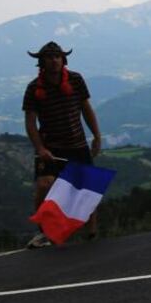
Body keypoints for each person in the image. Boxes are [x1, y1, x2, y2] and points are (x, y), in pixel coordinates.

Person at [22, 41, 103, 248]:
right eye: (50, 57)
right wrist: (40, 148)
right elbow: (30, 122)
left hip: (77, 144)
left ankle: (91, 234)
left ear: (63, 59)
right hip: (50, 147)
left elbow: (86, 108)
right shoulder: (33, 89)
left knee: (86, 190)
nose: (54, 60)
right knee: (44, 185)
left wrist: (96, 135)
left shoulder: (75, 80)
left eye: (58, 56)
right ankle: (44, 232)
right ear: (42, 62)